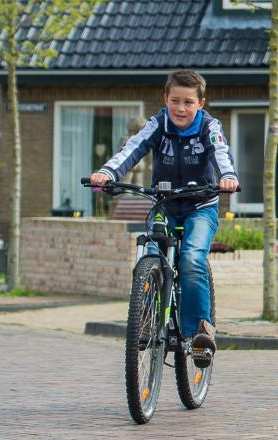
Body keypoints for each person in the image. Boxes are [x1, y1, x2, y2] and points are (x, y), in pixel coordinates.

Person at [90, 69, 238, 367]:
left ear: (201, 103)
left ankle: (199, 331)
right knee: (149, 254)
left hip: (200, 206)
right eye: (175, 101)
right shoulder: (158, 123)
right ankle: (146, 320)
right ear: (165, 99)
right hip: (164, 204)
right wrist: (108, 173)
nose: (180, 108)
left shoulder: (209, 127)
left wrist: (228, 177)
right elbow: (133, 147)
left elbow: (221, 152)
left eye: (188, 102)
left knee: (193, 258)